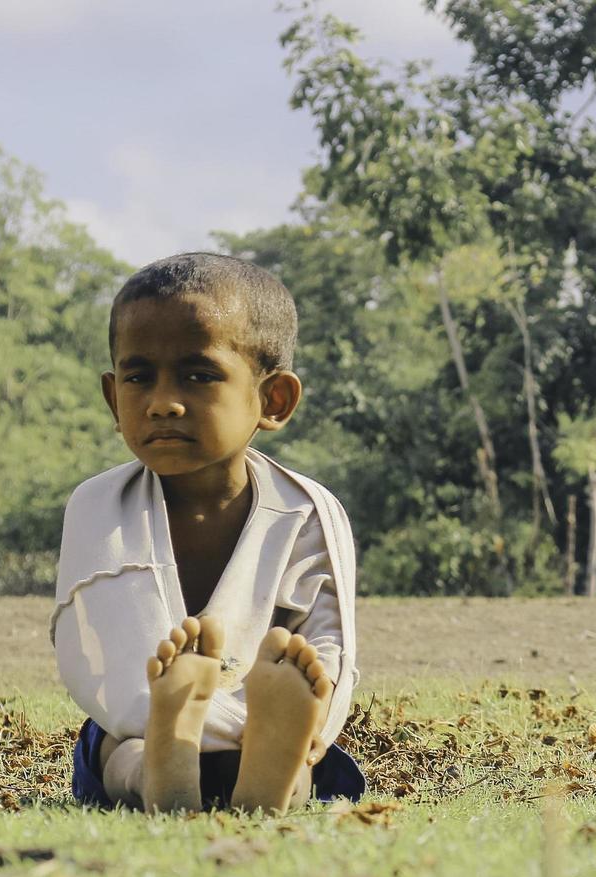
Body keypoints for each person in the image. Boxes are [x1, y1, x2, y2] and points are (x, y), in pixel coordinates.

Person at [52, 252, 365, 813]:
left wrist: (306, 714)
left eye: (199, 376)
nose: (163, 403)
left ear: (274, 399)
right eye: (138, 377)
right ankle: (168, 768)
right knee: (124, 747)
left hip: (265, 731)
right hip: (144, 724)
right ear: (112, 398)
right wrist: (173, 718)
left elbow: (327, 648)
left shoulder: (307, 512)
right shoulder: (98, 505)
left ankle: (259, 778)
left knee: (299, 755)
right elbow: (98, 666)